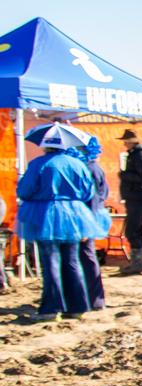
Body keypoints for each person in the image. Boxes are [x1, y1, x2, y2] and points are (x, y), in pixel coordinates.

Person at [16, 130, 98, 321]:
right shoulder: (78, 164)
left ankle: (51, 308)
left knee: (50, 261)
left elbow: (24, 190)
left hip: (45, 214)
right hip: (74, 215)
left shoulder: (38, 164)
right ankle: (77, 306)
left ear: (45, 144)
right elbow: (88, 192)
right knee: (72, 260)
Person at [74, 137, 111, 311]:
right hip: (88, 217)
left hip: (87, 218)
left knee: (87, 257)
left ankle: (95, 299)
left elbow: (95, 199)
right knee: (85, 257)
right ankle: (92, 299)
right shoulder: (91, 167)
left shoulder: (90, 169)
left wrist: (86, 225)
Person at [116, 128, 142, 275]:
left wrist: (125, 175)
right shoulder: (138, 154)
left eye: (126, 141)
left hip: (138, 197)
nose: (125, 144)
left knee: (132, 230)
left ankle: (138, 263)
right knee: (138, 229)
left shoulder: (141, 155)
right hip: (136, 197)